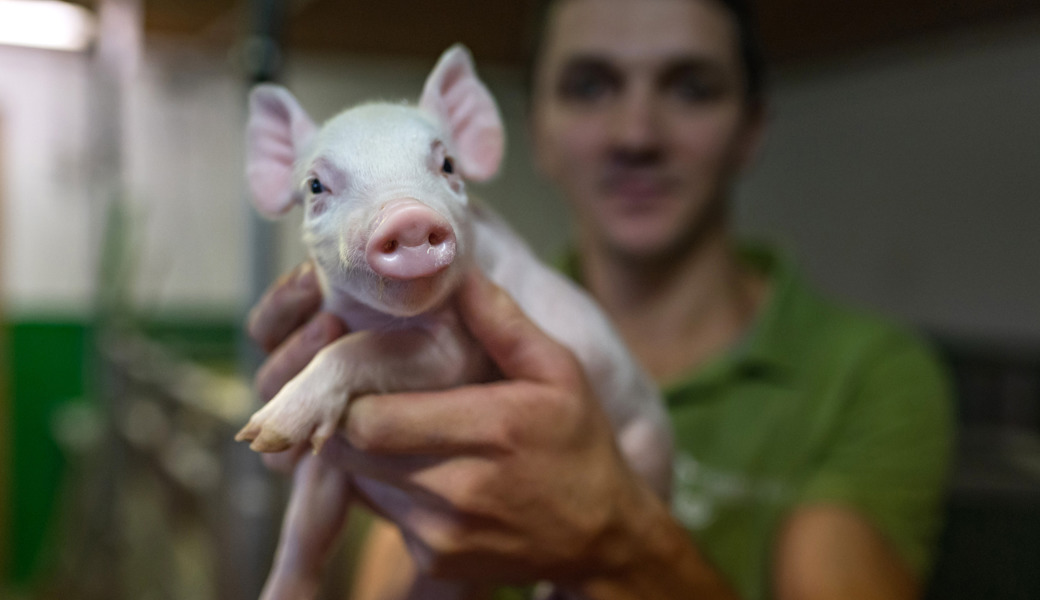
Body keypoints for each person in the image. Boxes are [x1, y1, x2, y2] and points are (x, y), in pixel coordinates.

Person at [246, 0, 953, 598]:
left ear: (753, 127)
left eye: (691, 86)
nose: (636, 134)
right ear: (530, 128)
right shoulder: (417, 309)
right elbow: (408, 570)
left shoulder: (870, 376)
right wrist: (345, 439)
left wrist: (620, 537)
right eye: (589, 86)